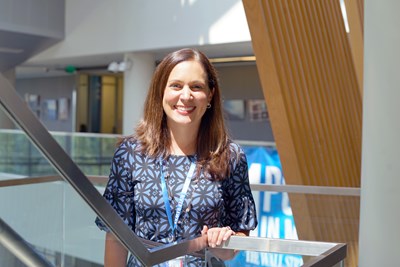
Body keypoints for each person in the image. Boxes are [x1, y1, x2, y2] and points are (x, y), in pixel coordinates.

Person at [96, 48, 258, 266]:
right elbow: (116, 237)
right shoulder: (130, 154)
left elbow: (239, 235)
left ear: (210, 95)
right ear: (161, 91)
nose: (186, 96)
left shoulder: (230, 156)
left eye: (196, 87)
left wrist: (224, 244)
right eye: (176, 85)